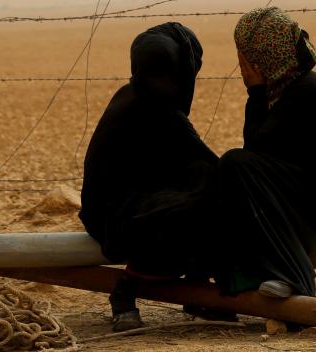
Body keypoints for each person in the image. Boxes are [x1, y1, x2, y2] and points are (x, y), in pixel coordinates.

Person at [214, 7, 316, 299]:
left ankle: (294, 275)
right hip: (299, 185)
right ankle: (249, 274)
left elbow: (256, 151)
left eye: (247, 60)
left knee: (235, 165)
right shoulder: (283, 87)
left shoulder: (306, 90)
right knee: (232, 174)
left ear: (267, 59)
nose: (242, 67)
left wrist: (255, 93)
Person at [79, 22, 219, 331]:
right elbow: (209, 167)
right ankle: (126, 290)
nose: (159, 82)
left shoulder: (135, 97)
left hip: (126, 207)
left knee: (205, 190)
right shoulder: (158, 110)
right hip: (115, 217)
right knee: (206, 206)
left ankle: (198, 291)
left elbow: (195, 164)